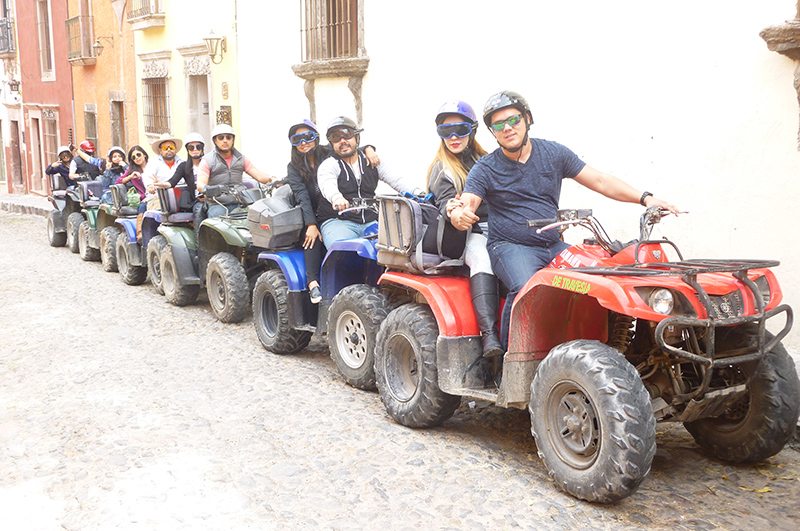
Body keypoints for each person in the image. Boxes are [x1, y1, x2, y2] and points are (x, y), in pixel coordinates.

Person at [450, 90, 679, 350]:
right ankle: (508, 366)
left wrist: (646, 198)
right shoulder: (486, 168)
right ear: (492, 131)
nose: (507, 128)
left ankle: (600, 351)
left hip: (552, 244)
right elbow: (467, 204)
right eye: (499, 124)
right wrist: (459, 216)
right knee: (526, 290)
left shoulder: (553, 153)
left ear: (527, 119)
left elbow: (600, 180)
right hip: (511, 246)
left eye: (513, 120)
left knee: (598, 279)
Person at [426, 100, 501, 358]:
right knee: (482, 257)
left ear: (473, 130)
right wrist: (454, 210)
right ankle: (489, 335)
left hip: (501, 228)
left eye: (460, 129)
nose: (454, 137)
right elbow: (446, 201)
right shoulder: (441, 168)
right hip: (468, 233)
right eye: (446, 132)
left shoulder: (489, 160)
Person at [285, 120, 380, 304]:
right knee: (311, 237)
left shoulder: (328, 154)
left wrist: (369, 148)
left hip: (337, 207)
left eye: (308, 137)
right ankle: (313, 283)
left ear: (316, 137)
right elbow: (302, 196)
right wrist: (311, 224)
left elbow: (349, 148)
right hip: (312, 210)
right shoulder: (293, 167)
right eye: (298, 139)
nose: (304, 142)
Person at [317, 116, 422, 249]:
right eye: (335, 137)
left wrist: (419, 193)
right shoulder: (330, 164)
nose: (342, 141)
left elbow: (396, 179)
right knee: (343, 251)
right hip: (338, 222)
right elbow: (327, 182)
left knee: (395, 248)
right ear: (331, 143)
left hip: (370, 220)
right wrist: (336, 198)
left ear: (357, 137)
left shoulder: (371, 160)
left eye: (347, 134)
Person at [196, 124, 274, 218]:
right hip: (218, 204)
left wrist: (272, 179)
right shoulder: (207, 160)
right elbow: (200, 185)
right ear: (215, 141)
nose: (225, 140)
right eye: (221, 138)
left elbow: (259, 176)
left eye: (228, 137)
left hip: (240, 203)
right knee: (218, 222)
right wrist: (210, 189)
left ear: (233, 140)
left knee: (258, 218)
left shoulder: (241, 158)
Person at [141, 133, 185, 213]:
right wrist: (150, 186)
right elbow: (148, 177)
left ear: (175, 149)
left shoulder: (183, 162)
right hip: (158, 199)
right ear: (160, 150)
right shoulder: (153, 162)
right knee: (161, 213)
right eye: (165, 148)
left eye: (171, 147)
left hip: (181, 199)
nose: (169, 150)